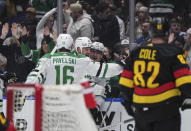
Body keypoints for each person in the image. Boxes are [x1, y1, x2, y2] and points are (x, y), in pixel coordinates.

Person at [119, 21, 191, 131]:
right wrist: (186, 98)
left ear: (151, 33)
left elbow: (125, 82)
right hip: (166, 109)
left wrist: (129, 105)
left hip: (141, 109)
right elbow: (184, 80)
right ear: (168, 33)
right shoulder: (173, 52)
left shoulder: (137, 52)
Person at [25, 34, 122, 85]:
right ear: (72, 47)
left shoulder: (47, 58)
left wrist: (24, 92)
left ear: (57, 46)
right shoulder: (80, 59)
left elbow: (35, 77)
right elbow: (104, 69)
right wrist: (122, 65)